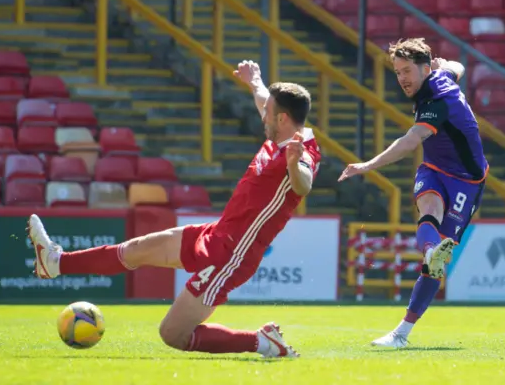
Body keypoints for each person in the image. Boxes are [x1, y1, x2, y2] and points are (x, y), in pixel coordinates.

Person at [28, 60, 321, 358]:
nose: (263, 118)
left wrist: (294, 164)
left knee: (172, 334)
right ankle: (55, 263)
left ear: (282, 118)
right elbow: (263, 101)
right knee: (135, 250)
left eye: (268, 114)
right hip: (215, 234)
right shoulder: (279, 131)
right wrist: (255, 81)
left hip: (231, 255)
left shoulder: (302, 151)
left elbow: (303, 185)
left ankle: (262, 342)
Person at [338, 38, 488, 348]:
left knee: (435, 267)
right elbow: (457, 66)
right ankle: (431, 252)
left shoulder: (437, 101)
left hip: (467, 182)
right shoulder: (440, 77)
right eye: (397, 71)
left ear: (423, 69)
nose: (402, 78)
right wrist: (445, 66)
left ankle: (403, 331)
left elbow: (410, 141)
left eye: (407, 71)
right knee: (428, 209)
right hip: (434, 168)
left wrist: (368, 165)